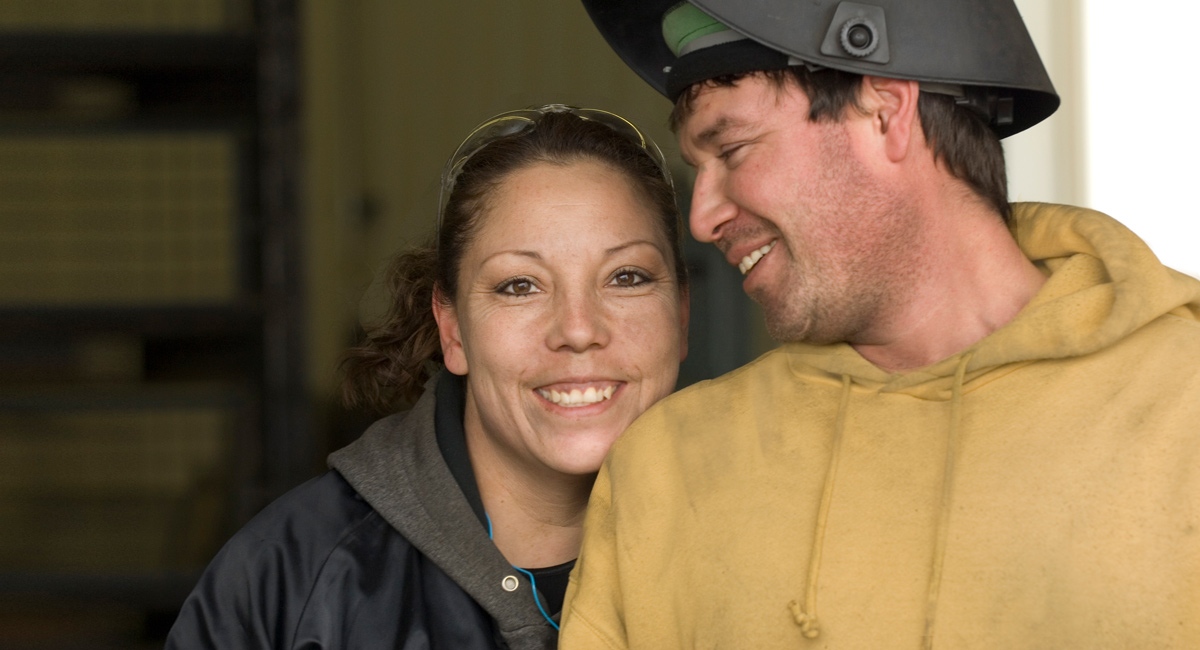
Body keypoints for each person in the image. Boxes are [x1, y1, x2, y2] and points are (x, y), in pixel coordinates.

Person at [560, 2, 1200, 648]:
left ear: (886, 111)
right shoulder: (665, 470)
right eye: (700, 170)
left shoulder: (1184, 406)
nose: (701, 219)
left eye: (731, 148)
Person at [164, 104, 689, 650]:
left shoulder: (768, 539)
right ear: (453, 330)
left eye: (626, 277)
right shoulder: (288, 580)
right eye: (519, 285)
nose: (578, 330)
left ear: (680, 316)